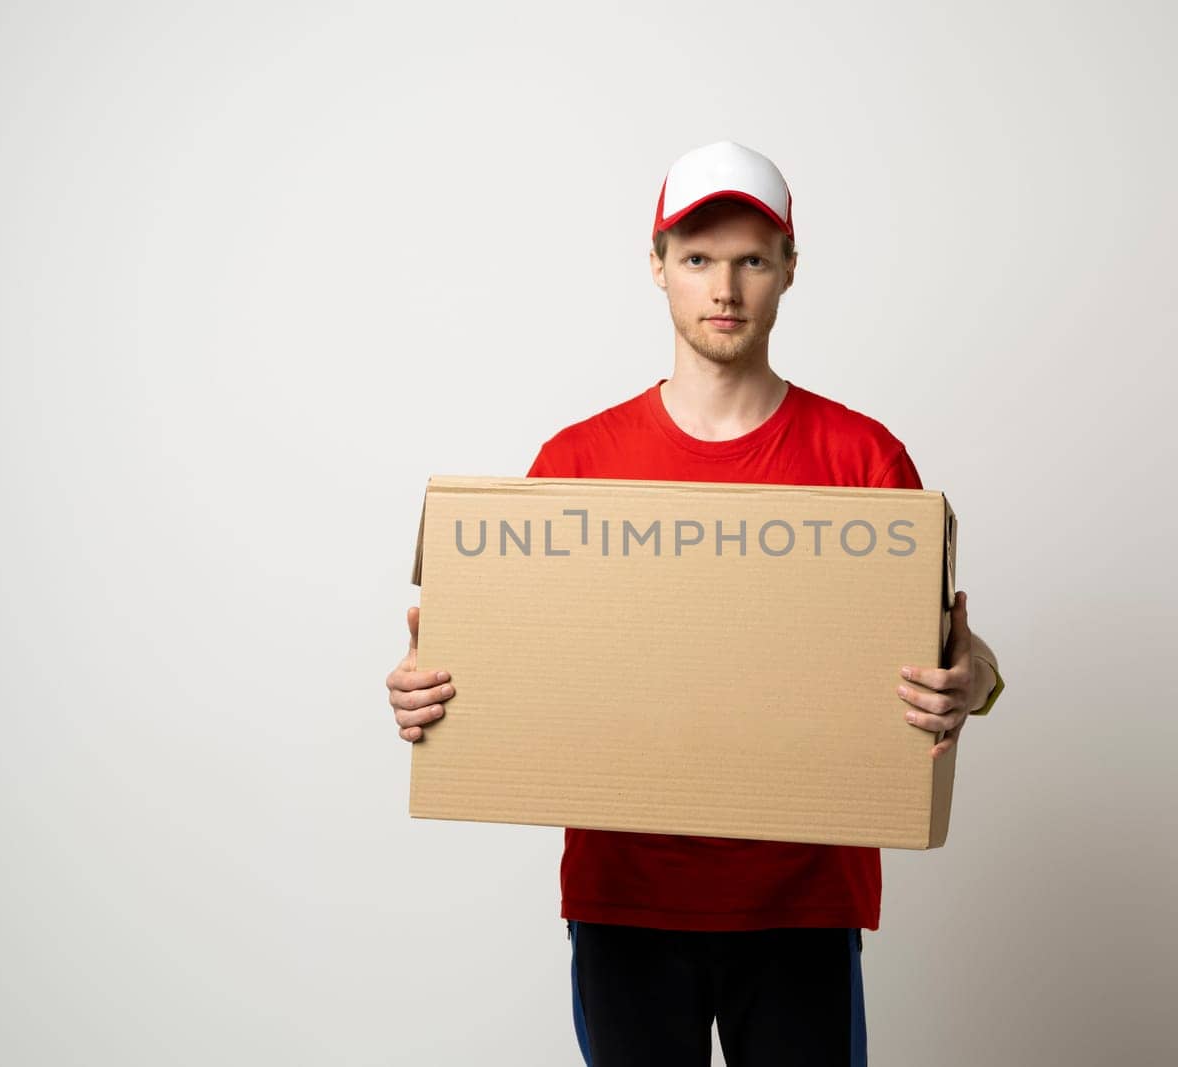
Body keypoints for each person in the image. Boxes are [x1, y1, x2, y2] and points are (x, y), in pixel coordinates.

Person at [385, 141, 1005, 1066]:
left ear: (789, 269)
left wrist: (975, 679)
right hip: (625, 895)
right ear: (658, 268)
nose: (725, 287)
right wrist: (434, 690)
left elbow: (960, 656)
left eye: (752, 258)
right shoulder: (576, 465)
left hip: (801, 899)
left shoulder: (863, 461)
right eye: (698, 258)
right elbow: (518, 662)